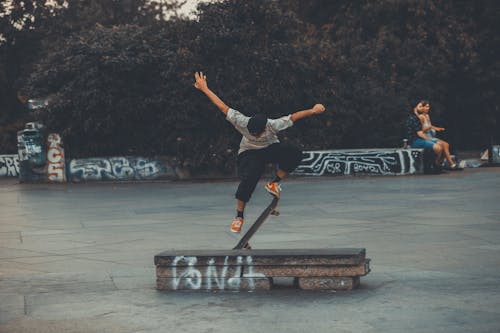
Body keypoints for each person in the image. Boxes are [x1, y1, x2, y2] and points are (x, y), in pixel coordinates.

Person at [193, 71, 326, 233]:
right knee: (250, 178)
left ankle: (274, 182)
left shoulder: (272, 124)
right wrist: (204, 89)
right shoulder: (240, 121)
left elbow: (293, 117)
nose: (255, 135)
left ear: (264, 128)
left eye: (258, 133)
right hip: (249, 153)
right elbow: (222, 106)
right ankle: (239, 216)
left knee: (295, 152)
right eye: (253, 133)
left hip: (270, 149)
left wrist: (312, 110)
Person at [416, 100, 458, 169]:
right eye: (426, 107)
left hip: (431, 136)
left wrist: (437, 128)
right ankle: (450, 164)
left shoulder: (427, 116)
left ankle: (440, 164)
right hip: (426, 137)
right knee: (443, 145)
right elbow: (421, 130)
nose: (428, 108)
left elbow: (430, 126)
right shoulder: (421, 117)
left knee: (446, 144)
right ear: (422, 108)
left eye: (428, 106)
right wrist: (429, 127)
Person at [406, 101, 444, 169]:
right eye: (420, 107)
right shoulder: (414, 118)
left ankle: (436, 165)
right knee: (438, 148)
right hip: (415, 141)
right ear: (415, 109)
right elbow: (420, 134)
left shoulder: (417, 117)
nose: (422, 108)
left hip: (419, 139)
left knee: (440, 145)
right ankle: (433, 166)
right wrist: (430, 140)